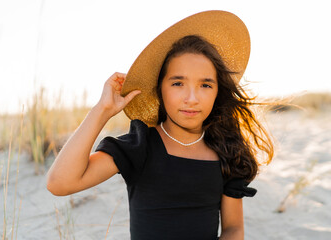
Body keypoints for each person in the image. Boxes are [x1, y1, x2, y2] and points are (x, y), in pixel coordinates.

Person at [46, 10, 274, 240]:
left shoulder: (226, 150)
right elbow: (60, 184)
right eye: (178, 83)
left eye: (205, 85)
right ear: (159, 89)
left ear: (218, 91)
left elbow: (233, 229)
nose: (192, 98)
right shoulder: (140, 146)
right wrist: (102, 110)